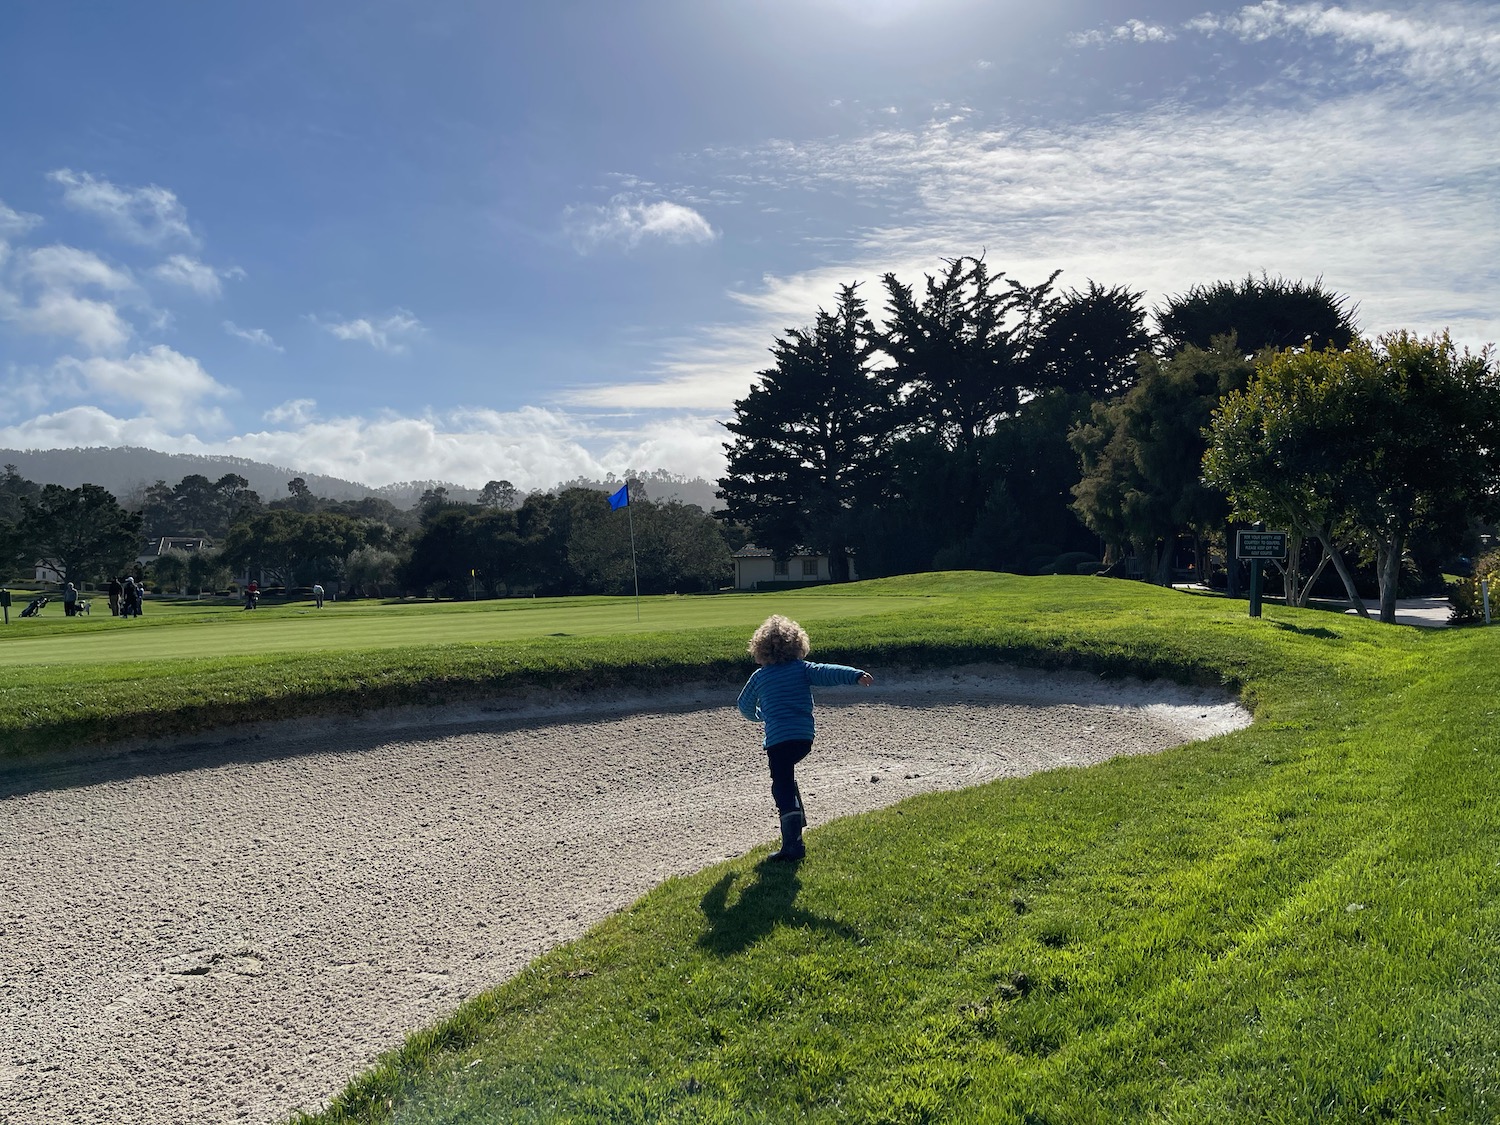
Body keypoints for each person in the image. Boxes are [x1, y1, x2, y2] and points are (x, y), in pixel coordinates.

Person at [736, 614, 873, 862]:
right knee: (788, 779)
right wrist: (855, 674)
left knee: (782, 786)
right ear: (798, 645)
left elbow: (743, 706)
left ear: (759, 649)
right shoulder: (803, 669)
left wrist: (760, 716)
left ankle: (793, 845)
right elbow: (828, 672)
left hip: (778, 740)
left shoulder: (759, 677)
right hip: (803, 738)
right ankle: (797, 821)